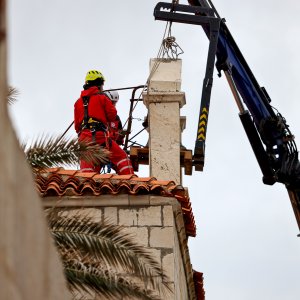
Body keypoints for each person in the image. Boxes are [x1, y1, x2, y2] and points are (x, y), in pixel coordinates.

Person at [74, 70, 134, 175]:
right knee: (122, 157)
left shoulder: (78, 103)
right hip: (100, 136)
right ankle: (131, 181)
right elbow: (112, 115)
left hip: (84, 139)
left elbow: (77, 127)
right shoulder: (102, 98)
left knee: (88, 166)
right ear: (99, 84)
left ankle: (87, 187)